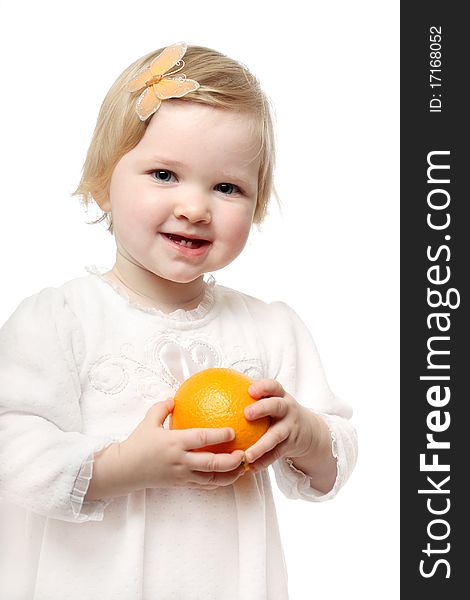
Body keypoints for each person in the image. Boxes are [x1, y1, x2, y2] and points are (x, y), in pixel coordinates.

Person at [0, 42, 357, 599]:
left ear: (257, 205)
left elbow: (334, 459)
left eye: (226, 187)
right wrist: (121, 465)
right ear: (102, 182)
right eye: (164, 174)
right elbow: (12, 447)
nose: (195, 207)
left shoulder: (267, 329)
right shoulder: (60, 319)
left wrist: (304, 432)